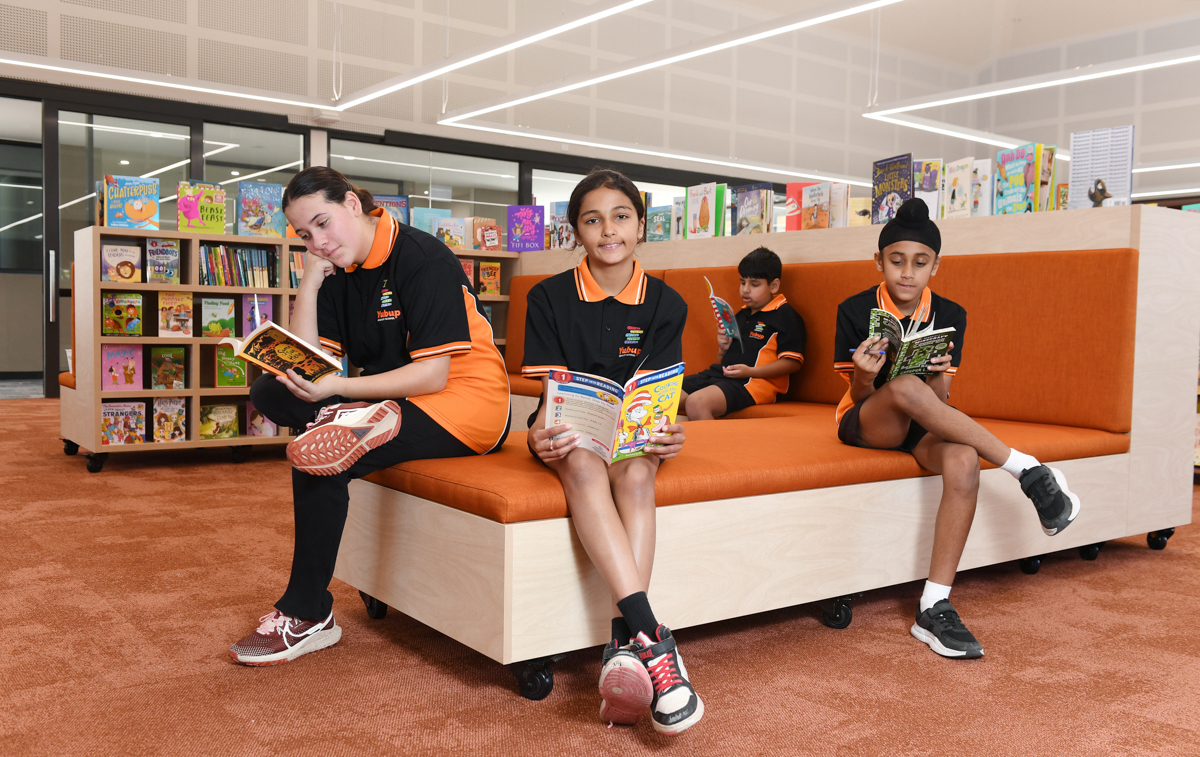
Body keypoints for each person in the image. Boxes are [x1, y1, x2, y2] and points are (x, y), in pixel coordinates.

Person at [228, 167, 510, 666]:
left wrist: (337, 389)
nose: (318, 241)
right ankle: (354, 422)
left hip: (465, 401)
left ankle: (308, 613)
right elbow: (308, 361)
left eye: (323, 223)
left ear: (353, 205)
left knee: (323, 445)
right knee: (274, 390)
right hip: (387, 399)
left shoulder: (423, 257)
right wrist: (310, 285)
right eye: (304, 235)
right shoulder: (335, 268)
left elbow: (431, 376)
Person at [833, 197, 1080, 660]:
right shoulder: (854, 309)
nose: (908, 272)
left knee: (964, 457)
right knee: (903, 385)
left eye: (920, 263)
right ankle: (1026, 469)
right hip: (868, 422)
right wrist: (865, 373)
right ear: (879, 262)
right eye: (897, 261)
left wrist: (938, 377)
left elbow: (939, 403)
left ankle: (934, 604)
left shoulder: (951, 314)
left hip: (922, 420)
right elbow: (862, 398)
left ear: (936, 266)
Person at [520, 168, 702, 735]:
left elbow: (660, 394)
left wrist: (668, 429)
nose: (608, 230)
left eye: (621, 216)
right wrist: (535, 434)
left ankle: (628, 643)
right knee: (579, 459)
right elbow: (549, 395)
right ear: (576, 230)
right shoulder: (548, 296)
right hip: (568, 426)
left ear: (641, 225)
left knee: (639, 475)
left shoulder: (667, 302)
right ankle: (652, 640)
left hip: (634, 431)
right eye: (592, 220)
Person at [680, 247, 805, 420]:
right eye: (742, 282)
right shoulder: (739, 315)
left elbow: (793, 363)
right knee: (663, 399)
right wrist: (722, 349)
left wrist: (750, 371)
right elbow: (722, 362)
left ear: (774, 285)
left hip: (754, 383)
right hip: (719, 376)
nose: (745, 289)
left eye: (754, 284)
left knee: (697, 402)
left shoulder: (785, 315)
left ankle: (713, 446)